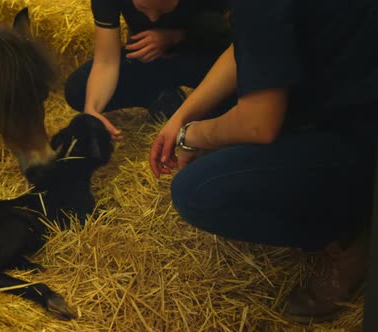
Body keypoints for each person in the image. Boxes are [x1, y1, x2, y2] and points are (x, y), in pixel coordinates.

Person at [149, 0, 378, 324]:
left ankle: (351, 238)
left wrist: (191, 135)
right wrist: (184, 115)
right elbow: (250, 44)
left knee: (196, 191)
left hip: (360, 139)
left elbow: (259, 124)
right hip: (348, 92)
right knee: (222, 114)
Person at [64, 0, 231, 141]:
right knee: (79, 89)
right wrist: (91, 110)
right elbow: (106, 61)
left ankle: (201, 105)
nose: (153, 18)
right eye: (143, 8)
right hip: (149, 58)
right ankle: (160, 96)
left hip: (204, 57)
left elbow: (233, 38)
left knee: (237, 98)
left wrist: (176, 36)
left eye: (164, 9)